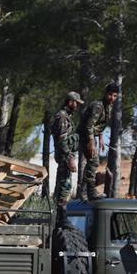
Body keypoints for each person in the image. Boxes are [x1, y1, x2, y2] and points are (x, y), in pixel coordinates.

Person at [77, 83, 119, 201]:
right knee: (94, 161)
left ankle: (86, 191)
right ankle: (87, 192)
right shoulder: (98, 105)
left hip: (92, 136)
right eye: (110, 94)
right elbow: (89, 125)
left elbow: (100, 124)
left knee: (93, 162)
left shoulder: (108, 107)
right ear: (106, 94)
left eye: (115, 96)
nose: (112, 98)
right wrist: (91, 142)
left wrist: (100, 137)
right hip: (85, 135)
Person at [50, 91, 83, 224]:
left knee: (64, 186)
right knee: (65, 186)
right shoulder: (62, 117)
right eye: (76, 103)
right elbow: (62, 140)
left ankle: (60, 217)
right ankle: (61, 218)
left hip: (65, 157)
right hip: (64, 158)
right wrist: (70, 158)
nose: (77, 106)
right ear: (70, 102)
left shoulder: (65, 116)